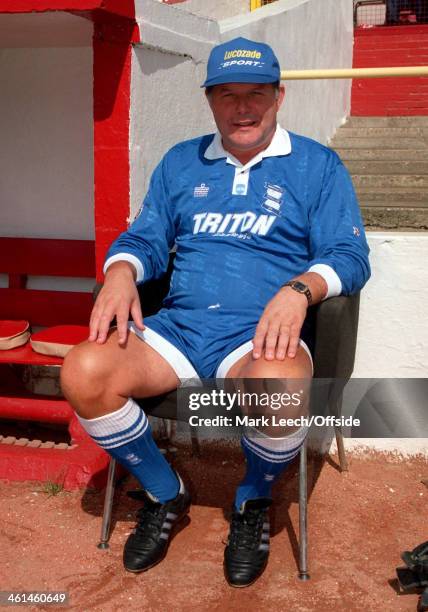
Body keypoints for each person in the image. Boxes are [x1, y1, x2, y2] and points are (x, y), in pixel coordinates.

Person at [61, 37, 371, 588]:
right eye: (227, 95)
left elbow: (348, 255)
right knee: (83, 369)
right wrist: (121, 271)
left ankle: (252, 499)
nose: (242, 108)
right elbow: (147, 237)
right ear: (209, 100)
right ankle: (164, 490)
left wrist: (298, 289)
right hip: (179, 327)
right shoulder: (182, 162)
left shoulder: (317, 165)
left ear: (279, 97)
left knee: (279, 388)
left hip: (257, 338)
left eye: (256, 94)